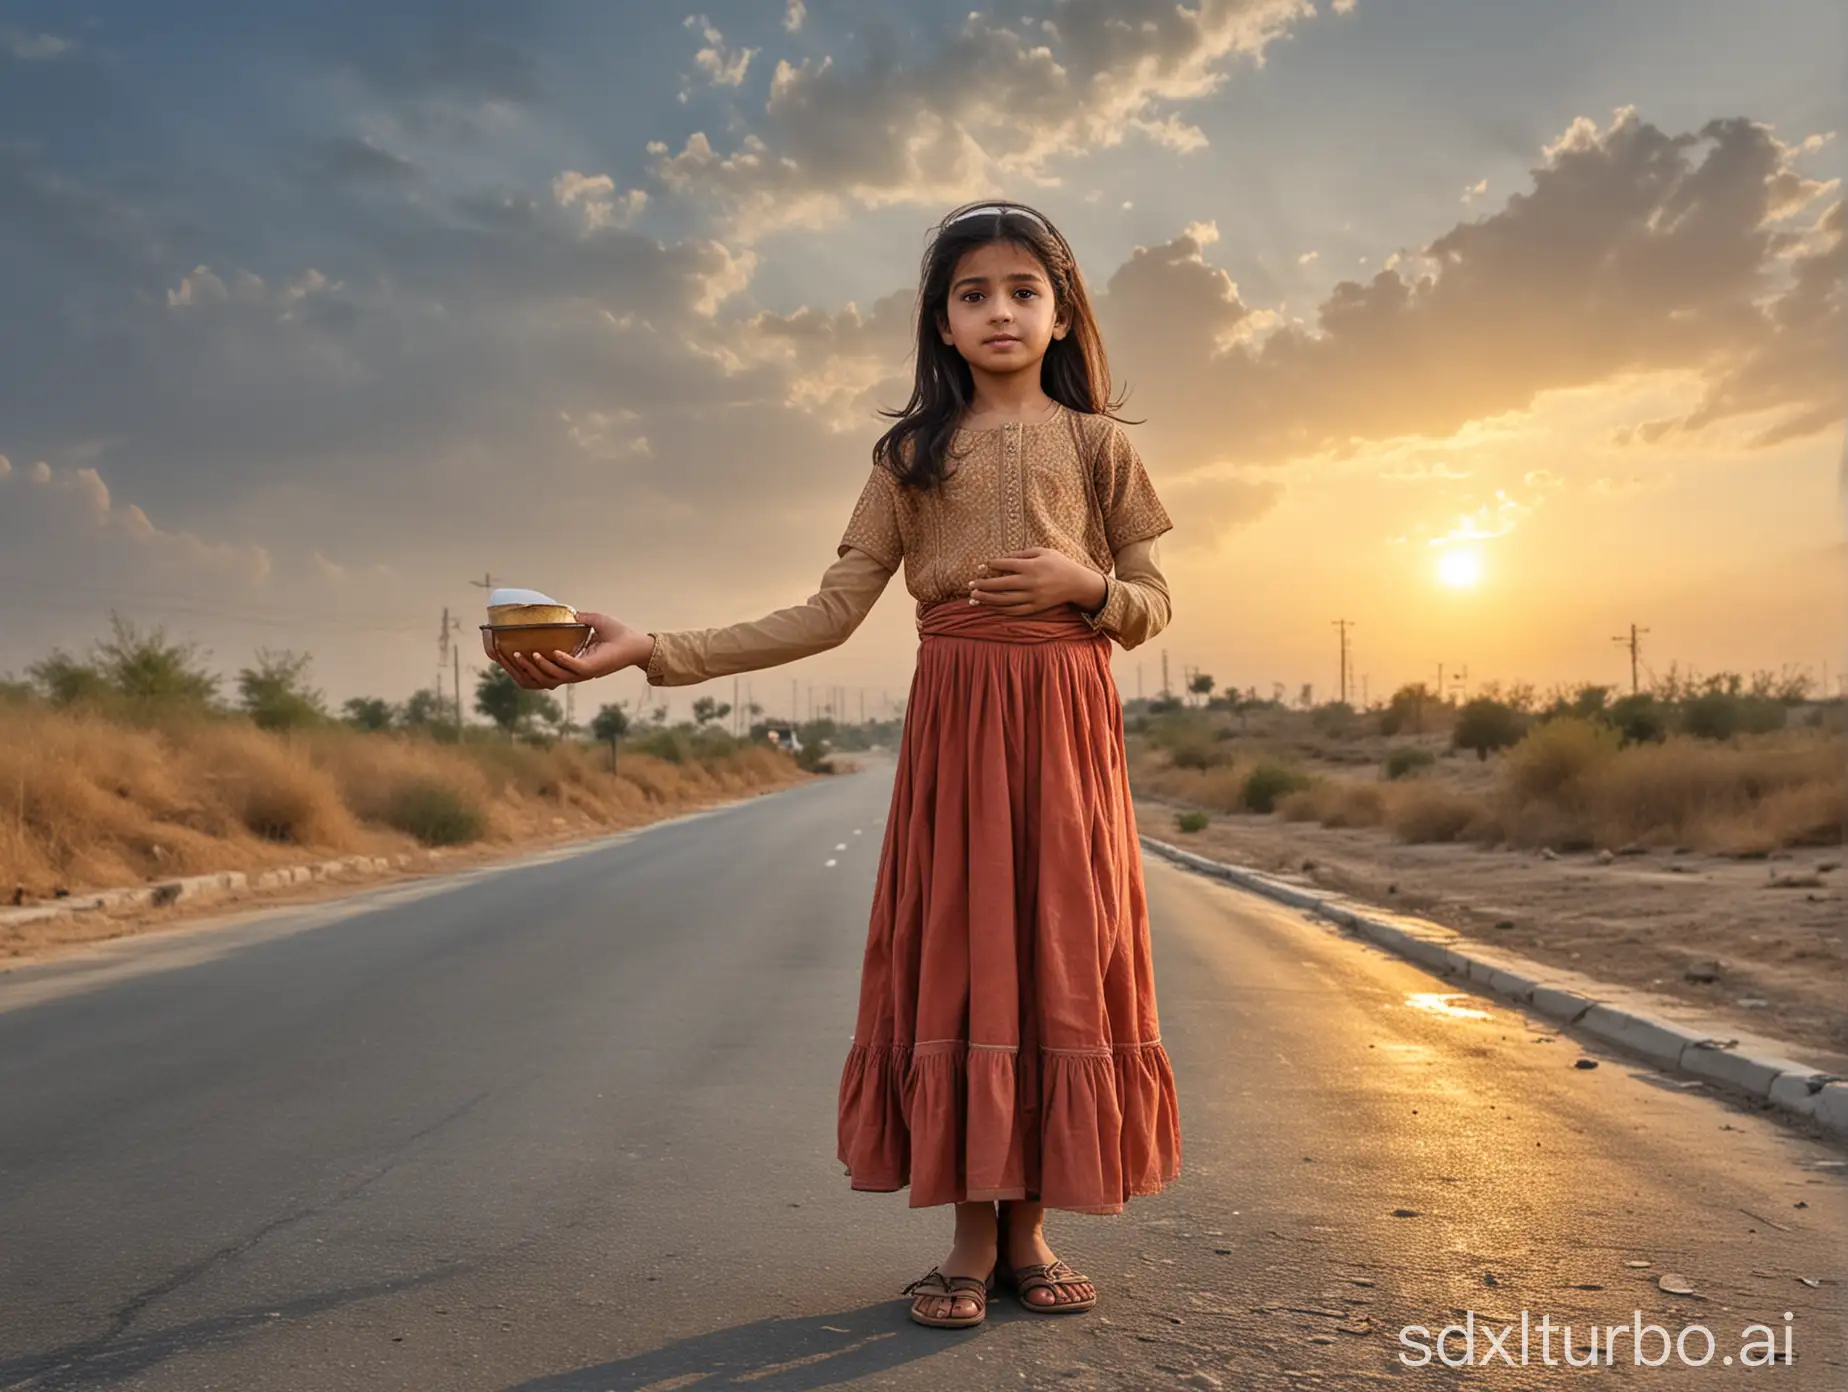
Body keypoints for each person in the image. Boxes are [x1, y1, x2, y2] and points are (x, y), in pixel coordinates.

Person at [486, 199, 1181, 1330]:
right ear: (941, 325)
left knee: (1054, 948)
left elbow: (1153, 602)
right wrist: (656, 649)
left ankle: (1033, 1229)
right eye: (972, 295)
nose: (998, 311)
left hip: (1065, 723)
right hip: (957, 725)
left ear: (1060, 316)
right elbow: (827, 613)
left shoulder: (1103, 448)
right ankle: (967, 1238)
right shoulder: (909, 457)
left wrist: (1084, 589)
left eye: (1022, 291)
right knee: (960, 953)